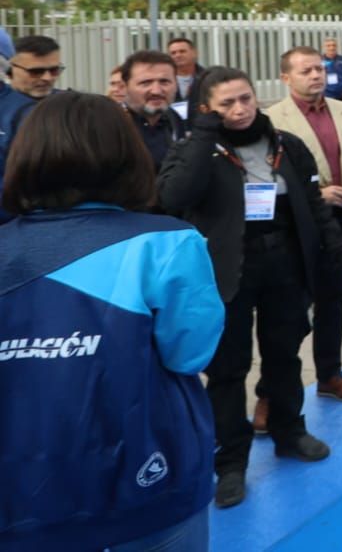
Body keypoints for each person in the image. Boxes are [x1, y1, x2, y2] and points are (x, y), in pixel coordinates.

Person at [0, 91, 222, 552]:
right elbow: (191, 353)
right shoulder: (167, 243)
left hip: (22, 488)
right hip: (147, 477)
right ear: (127, 156)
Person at [158, 67, 342, 509]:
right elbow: (172, 196)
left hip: (283, 265)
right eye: (226, 103)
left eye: (245, 98)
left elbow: (313, 202)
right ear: (206, 108)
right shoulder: (195, 150)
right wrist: (205, 133)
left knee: (284, 355)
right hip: (227, 271)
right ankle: (230, 460)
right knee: (227, 369)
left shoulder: (286, 144)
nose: (240, 110)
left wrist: (331, 252)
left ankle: (288, 430)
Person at [262, 46, 342, 417]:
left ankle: (330, 375)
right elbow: (264, 174)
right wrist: (314, 193)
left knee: (333, 302)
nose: (315, 76)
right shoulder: (270, 120)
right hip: (296, 227)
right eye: (305, 71)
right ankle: (270, 391)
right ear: (286, 77)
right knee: (288, 312)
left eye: (318, 69)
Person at [0, 34, 64, 208]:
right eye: (36, 71)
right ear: (10, 69)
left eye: (55, 70)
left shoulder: (71, 108)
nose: (47, 78)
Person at [122, 50, 189, 171]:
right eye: (146, 83)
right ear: (125, 87)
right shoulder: (110, 123)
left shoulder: (174, 119)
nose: (156, 91)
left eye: (164, 82)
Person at [165, 36, 206, 115]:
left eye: (182, 51)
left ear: (195, 53)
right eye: (173, 53)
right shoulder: (162, 79)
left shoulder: (207, 77)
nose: (178, 55)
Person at [319, 38, 342, 102]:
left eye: (334, 45)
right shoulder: (320, 60)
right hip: (327, 95)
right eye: (328, 46)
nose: (331, 48)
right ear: (324, 47)